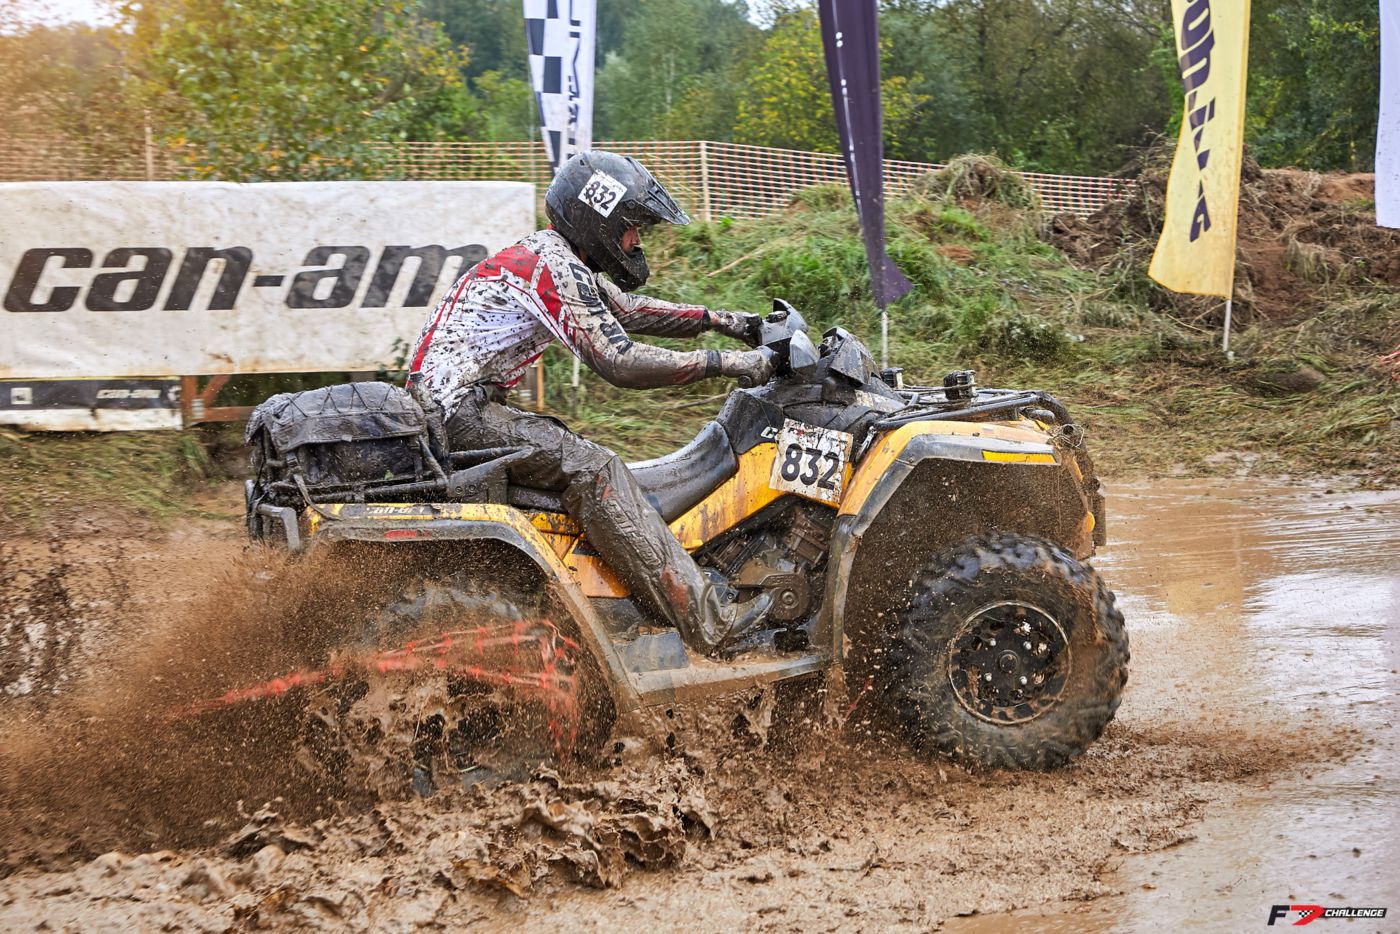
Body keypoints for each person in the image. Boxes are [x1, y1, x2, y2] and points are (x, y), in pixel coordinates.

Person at [407, 150, 774, 655]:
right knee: (596, 468)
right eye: (632, 227)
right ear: (599, 219)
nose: (636, 240)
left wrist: (731, 321)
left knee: (578, 455)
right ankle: (709, 625)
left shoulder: (553, 257)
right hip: (457, 412)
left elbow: (630, 311)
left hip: (456, 406)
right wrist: (728, 363)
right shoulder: (551, 265)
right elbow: (618, 360)